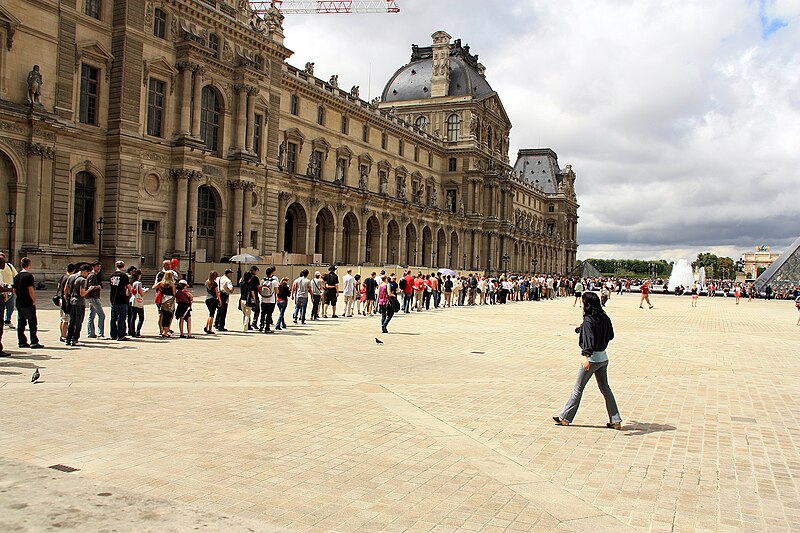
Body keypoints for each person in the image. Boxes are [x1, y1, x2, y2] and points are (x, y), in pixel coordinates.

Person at [553, 291, 622, 430]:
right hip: (603, 357)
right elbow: (611, 335)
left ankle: (565, 417)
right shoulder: (604, 317)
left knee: (578, 389)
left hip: (591, 359)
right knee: (605, 389)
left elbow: (589, 338)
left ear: (587, 304)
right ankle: (615, 420)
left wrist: (586, 356)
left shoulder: (589, 320)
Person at [13, 257, 45, 349]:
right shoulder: (28, 276)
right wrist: (33, 300)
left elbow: (14, 290)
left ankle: (22, 341)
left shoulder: (17, 276)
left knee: (21, 322)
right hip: (27, 302)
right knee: (32, 322)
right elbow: (30, 290)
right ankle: (34, 341)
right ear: (29, 265)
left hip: (19, 302)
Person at [65, 264, 92, 346]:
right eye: (87, 273)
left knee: (71, 321)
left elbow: (66, 289)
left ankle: (68, 338)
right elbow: (82, 293)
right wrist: (89, 290)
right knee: (78, 322)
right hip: (79, 303)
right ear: (85, 271)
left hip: (72, 301)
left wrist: (68, 298)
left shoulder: (71, 277)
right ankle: (74, 339)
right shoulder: (82, 280)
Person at [108, 260, 131, 341]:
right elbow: (128, 287)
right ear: (123, 266)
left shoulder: (111, 275)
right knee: (121, 318)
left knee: (113, 318)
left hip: (113, 298)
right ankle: (121, 335)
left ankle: (113, 334)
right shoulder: (123, 275)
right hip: (121, 299)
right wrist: (129, 293)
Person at [55, 264, 75, 342]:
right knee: (66, 319)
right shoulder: (69, 278)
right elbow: (68, 289)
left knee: (62, 318)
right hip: (66, 300)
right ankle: (64, 335)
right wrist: (67, 297)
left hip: (61, 299)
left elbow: (59, 288)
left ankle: (62, 334)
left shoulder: (62, 277)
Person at [86, 261, 105, 339]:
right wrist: (98, 287)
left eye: (100, 267)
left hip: (93, 297)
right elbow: (90, 286)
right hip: (94, 297)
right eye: (97, 266)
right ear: (93, 267)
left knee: (91, 315)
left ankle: (91, 333)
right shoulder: (92, 276)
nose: (99, 268)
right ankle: (100, 334)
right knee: (101, 315)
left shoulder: (94, 275)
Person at [0, 252, 18, 327]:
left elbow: (16, 275)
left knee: (10, 306)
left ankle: (7, 320)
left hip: (9, 288)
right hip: (3, 290)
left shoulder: (9, 266)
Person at [128, 269, 147, 337]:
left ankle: (132, 332)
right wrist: (145, 291)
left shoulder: (132, 283)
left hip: (132, 300)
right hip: (138, 301)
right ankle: (137, 332)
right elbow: (141, 293)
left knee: (133, 317)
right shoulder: (139, 283)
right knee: (141, 318)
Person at [259, 267, 278, 333]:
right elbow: (277, 291)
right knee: (269, 314)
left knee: (263, 313)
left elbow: (259, 289)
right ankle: (267, 328)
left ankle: (261, 325)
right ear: (272, 273)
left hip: (263, 299)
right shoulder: (274, 281)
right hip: (271, 300)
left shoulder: (262, 280)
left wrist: (262, 294)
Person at [157, 272, 176, 337]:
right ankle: (165, 331)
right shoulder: (171, 283)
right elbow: (174, 293)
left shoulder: (161, 283)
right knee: (169, 315)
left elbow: (154, 287)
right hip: (170, 300)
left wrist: (159, 289)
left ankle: (162, 330)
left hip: (163, 300)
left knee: (163, 315)